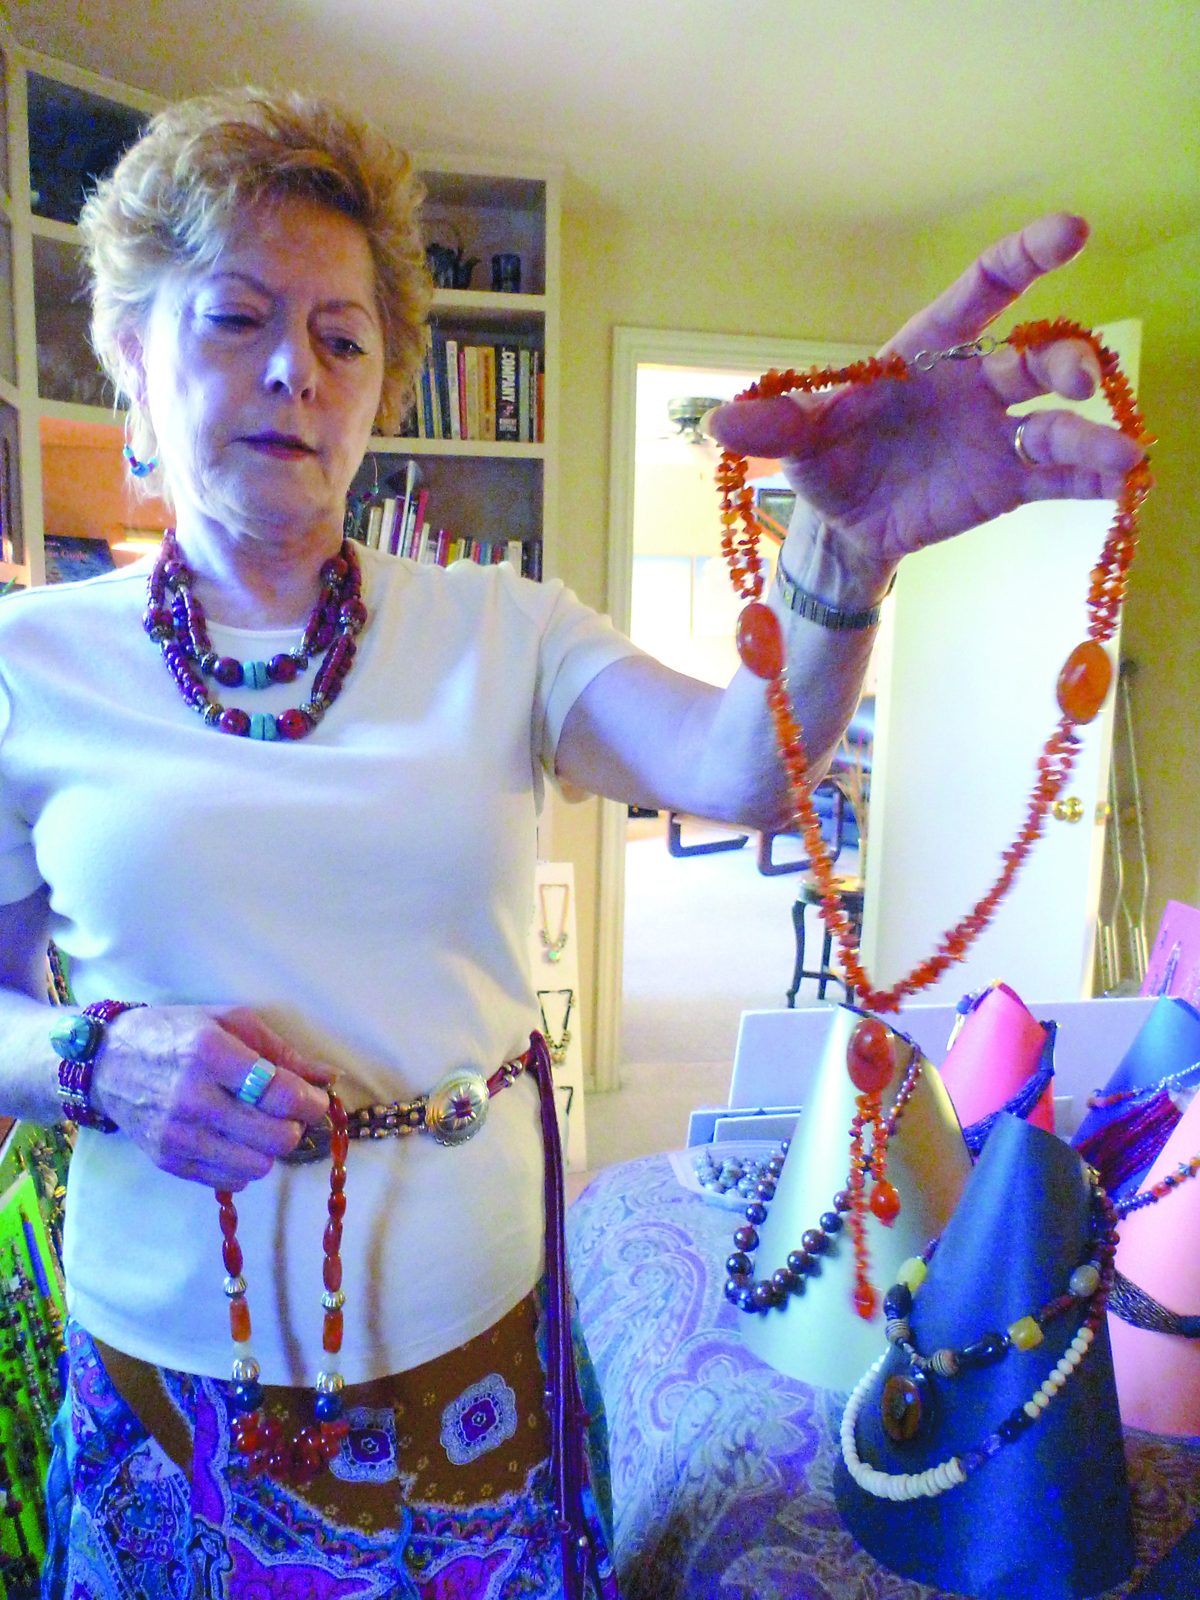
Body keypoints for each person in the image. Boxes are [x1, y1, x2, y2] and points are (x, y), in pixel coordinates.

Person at [0, 86, 1142, 1600]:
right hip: (169, 1378)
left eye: (344, 337)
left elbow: (744, 766)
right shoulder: (28, 663)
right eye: (233, 318)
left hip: (479, 1363)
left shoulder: (502, 627)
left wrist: (841, 550)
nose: (295, 369)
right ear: (131, 353)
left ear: (380, 388)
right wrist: (100, 1061)